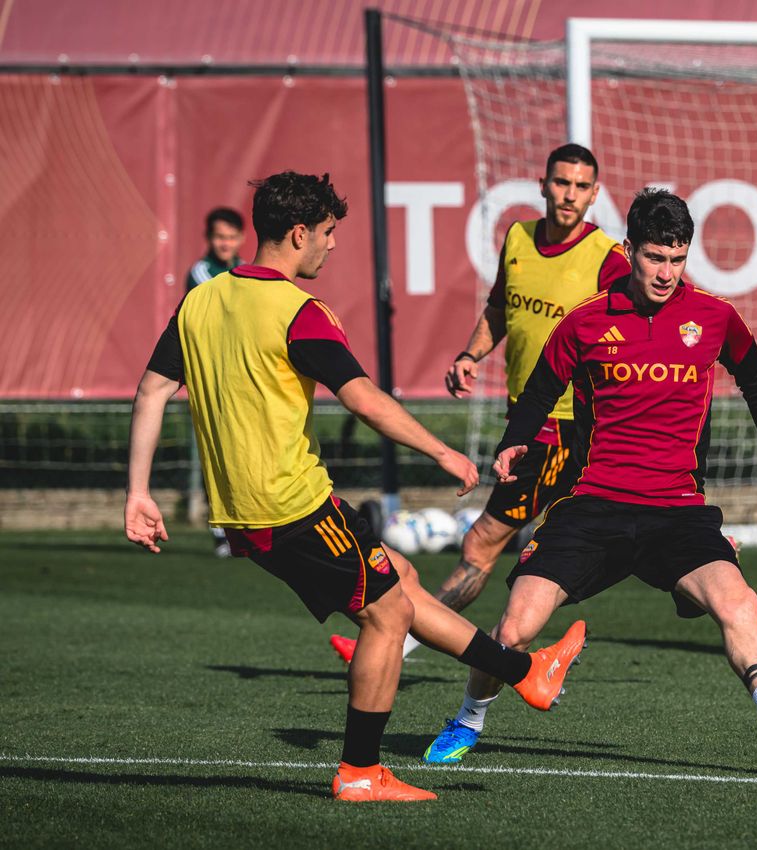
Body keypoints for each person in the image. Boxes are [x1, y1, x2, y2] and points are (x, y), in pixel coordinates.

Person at [125, 171, 585, 802]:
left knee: (401, 579)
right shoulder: (299, 313)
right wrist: (442, 451)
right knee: (388, 614)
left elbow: (151, 389)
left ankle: (527, 674)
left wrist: (138, 492)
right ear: (297, 233)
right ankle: (362, 772)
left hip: (246, 516)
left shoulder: (200, 301)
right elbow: (365, 400)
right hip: (294, 506)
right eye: (327, 233)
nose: (332, 245)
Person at [423, 189, 757, 766]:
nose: (666, 272)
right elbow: (540, 391)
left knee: (740, 602)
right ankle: (467, 719)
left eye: (678, 258)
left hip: (677, 510)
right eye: (656, 257)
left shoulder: (715, 317)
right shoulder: (585, 322)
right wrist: (514, 442)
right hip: (594, 507)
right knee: (515, 626)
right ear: (629, 250)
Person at [328, 143, 630, 664]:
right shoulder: (517, 238)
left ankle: (395, 640)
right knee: (555, 548)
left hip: (560, 429)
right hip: (527, 422)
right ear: (542, 184)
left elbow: (636, 330)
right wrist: (471, 353)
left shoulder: (607, 259)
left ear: (595, 194)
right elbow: (499, 308)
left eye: (582, 187)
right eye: (562, 183)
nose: (569, 195)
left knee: (481, 546)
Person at [185, 207, 247, 558]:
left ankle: (250, 529)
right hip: (213, 377)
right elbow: (227, 313)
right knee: (217, 455)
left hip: (245, 376)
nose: (225, 243)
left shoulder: (245, 271)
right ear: (210, 239)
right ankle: (223, 533)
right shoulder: (200, 273)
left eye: (231, 237)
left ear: (240, 239)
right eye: (219, 237)